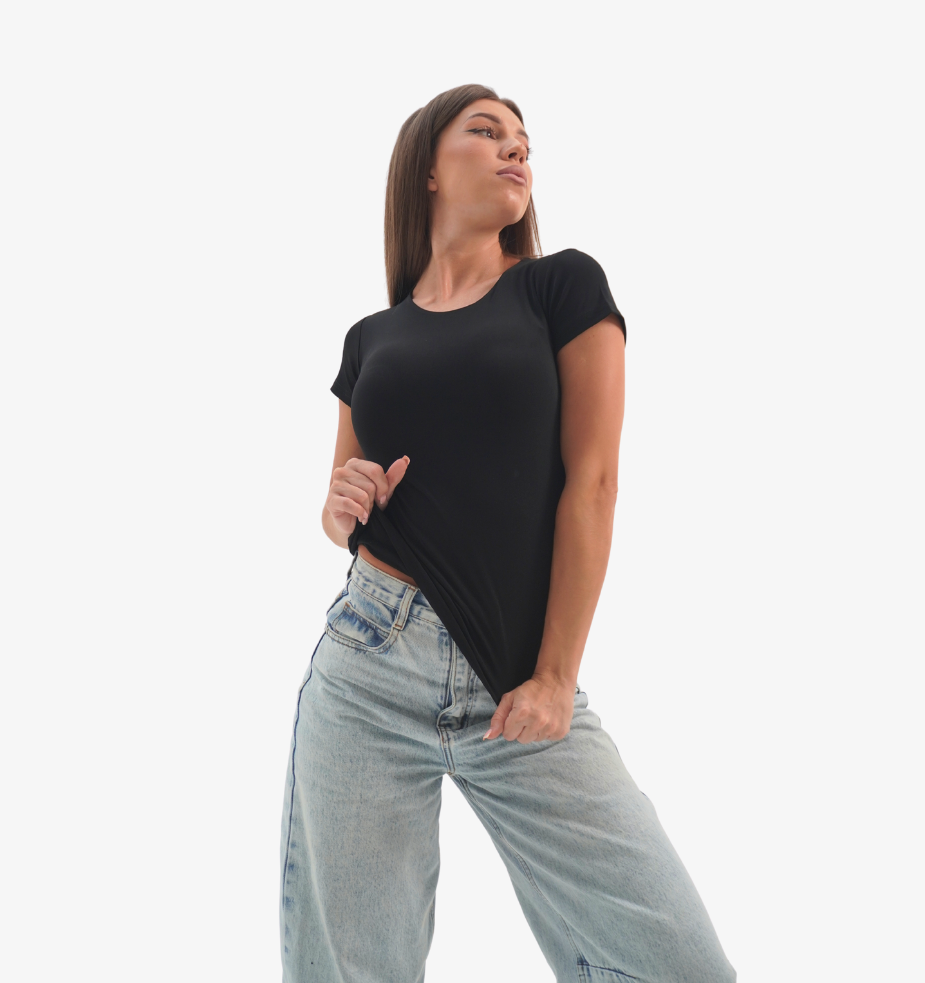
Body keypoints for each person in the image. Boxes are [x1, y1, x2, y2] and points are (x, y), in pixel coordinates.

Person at [280, 83, 735, 983]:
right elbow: (339, 505)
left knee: (680, 963)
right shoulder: (371, 338)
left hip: (520, 683)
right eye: (485, 132)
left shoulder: (561, 286)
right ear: (428, 175)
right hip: (367, 661)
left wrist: (558, 676)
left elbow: (593, 483)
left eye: (523, 139)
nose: (514, 150)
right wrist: (340, 507)